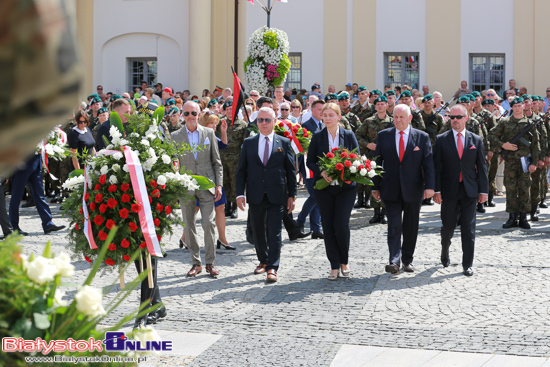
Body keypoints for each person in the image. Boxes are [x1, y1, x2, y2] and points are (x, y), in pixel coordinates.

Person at [236, 107, 297, 283]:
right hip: (255, 194)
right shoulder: (249, 143)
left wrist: (292, 195)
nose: (263, 123)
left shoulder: (283, 143)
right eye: (260, 120)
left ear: (274, 121)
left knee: (275, 232)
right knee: (258, 231)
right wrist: (240, 193)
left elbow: (290, 171)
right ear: (257, 122)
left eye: (267, 120)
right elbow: (241, 171)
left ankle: (272, 267)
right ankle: (263, 260)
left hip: (277, 194)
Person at [372, 104, 435, 274]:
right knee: (393, 225)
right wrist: (375, 186)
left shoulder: (422, 137)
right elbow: (377, 163)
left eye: (402, 117)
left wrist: (430, 187)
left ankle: (407, 260)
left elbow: (428, 164)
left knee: (411, 225)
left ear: (410, 118)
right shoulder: (384, 136)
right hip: (390, 188)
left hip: (414, 189)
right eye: (395, 117)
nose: (398, 120)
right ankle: (394, 261)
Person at [433, 105, 488, 277]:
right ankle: (445, 251)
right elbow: (436, 167)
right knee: (448, 226)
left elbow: (482, 166)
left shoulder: (476, 140)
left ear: (466, 118)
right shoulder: (441, 139)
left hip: (469, 190)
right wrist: (436, 190)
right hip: (449, 190)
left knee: (468, 228)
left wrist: (484, 190)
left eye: (458, 117)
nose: (454, 120)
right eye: (451, 117)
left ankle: (467, 264)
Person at [307, 103, 359, 280]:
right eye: (325, 115)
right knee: (328, 226)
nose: (327, 118)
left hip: (346, 188)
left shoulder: (348, 135)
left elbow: (356, 158)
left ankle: (344, 261)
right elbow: (310, 161)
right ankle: (334, 265)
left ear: (338, 116)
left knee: (341, 224)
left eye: (331, 115)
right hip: (324, 188)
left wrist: (346, 170)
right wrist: (322, 171)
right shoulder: (318, 136)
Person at [172, 101, 223, 278]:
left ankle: (210, 263)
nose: (190, 117)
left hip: (207, 184)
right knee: (189, 225)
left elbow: (217, 162)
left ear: (199, 114)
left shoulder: (209, 133)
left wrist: (219, 184)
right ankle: (196, 263)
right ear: (182, 116)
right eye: (186, 114)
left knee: (208, 223)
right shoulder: (175, 136)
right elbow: (172, 162)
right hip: (186, 185)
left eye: (193, 113)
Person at [489, 97, 541, 229]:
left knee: (524, 189)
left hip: (525, 161)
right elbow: (491, 135)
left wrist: (534, 162)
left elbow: (536, 145)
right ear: (511, 107)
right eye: (515, 106)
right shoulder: (505, 122)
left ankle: (523, 217)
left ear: (523, 106)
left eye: (519, 105)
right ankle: (512, 217)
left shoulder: (530, 123)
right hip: (511, 161)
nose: (517, 108)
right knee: (511, 189)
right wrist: (503, 145)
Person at [198, 112, 235, 250]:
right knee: (195, 208)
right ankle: (185, 238)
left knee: (220, 207)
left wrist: (224, 131)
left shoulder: (212, 135)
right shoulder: (200, 135)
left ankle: (223, 239)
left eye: (215, 124)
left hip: (215, 177)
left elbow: (223, 145)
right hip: (202, 176)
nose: (214, 126)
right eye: (211, 123)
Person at [356, 96, 394, 223]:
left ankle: (384, 212)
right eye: (378, 104)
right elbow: (358, 135)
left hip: (388, 158)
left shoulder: (392, 122)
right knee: (373, 183)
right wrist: (367, 144)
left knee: (386, 184)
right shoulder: (368, 121)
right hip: (372, 157)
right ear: (375, 106)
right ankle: (376, 212)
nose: (380, 106)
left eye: (383, 104)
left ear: (387, 106)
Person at [9, 154, 66, 236]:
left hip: (36, 163)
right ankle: (14, 226)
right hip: (22, 164)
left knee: (40, 195)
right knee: (17, 196)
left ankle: (48, 223)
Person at [297, 100, 325, 240]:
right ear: (312, 110)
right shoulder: (306, 126)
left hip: (319, 167)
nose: (322, 112)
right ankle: (300, 222)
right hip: (309, 168)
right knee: (315, 196)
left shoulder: (322, 125)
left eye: (323, 110)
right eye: (319, 110)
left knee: (318, 197)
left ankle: (316, 229)